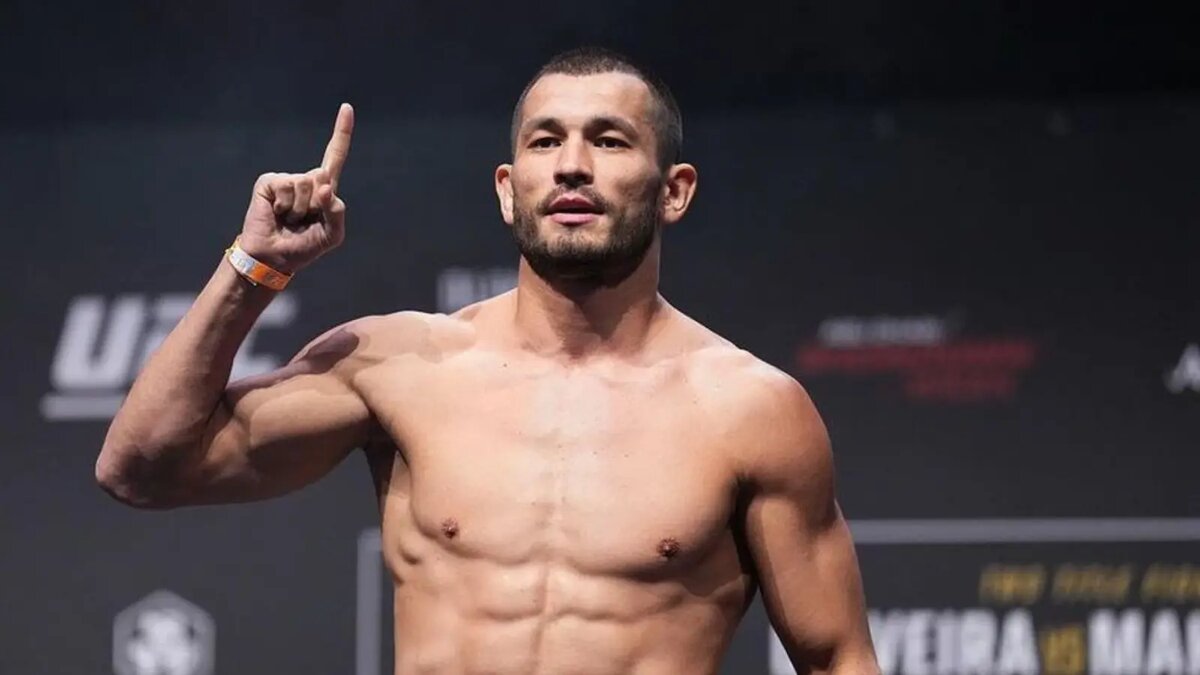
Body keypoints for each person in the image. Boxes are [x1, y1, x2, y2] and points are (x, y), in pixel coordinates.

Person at [96, 47, 880, 675]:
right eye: (545, 141)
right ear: (509, 189)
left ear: (673, 190)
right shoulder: (400, 365)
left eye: (609, 140)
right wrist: (255, 268)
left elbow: (838, 658)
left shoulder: (750, 409)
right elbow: (141, 468)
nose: (571, 165)